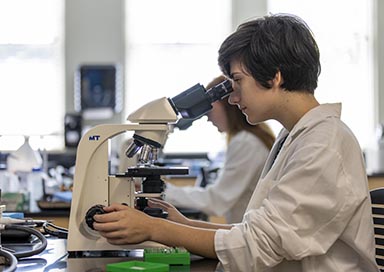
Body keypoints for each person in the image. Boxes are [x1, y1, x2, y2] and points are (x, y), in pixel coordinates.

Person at [93, 13, 379, 271]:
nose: (232, 98)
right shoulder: (296, 136)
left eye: (238, 81)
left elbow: (258, 245)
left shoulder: (323, 143)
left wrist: (155, 229)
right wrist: (183, 224)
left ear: (274, 76)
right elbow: (259, 230)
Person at [164, 75, 275, 224]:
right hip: (245, 230)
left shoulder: (246, 143)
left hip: (250, 234)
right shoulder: (246, 139)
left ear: (227, 105)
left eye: (209, 112)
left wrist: (161, 191)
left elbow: (216, 201)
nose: (208, 119)